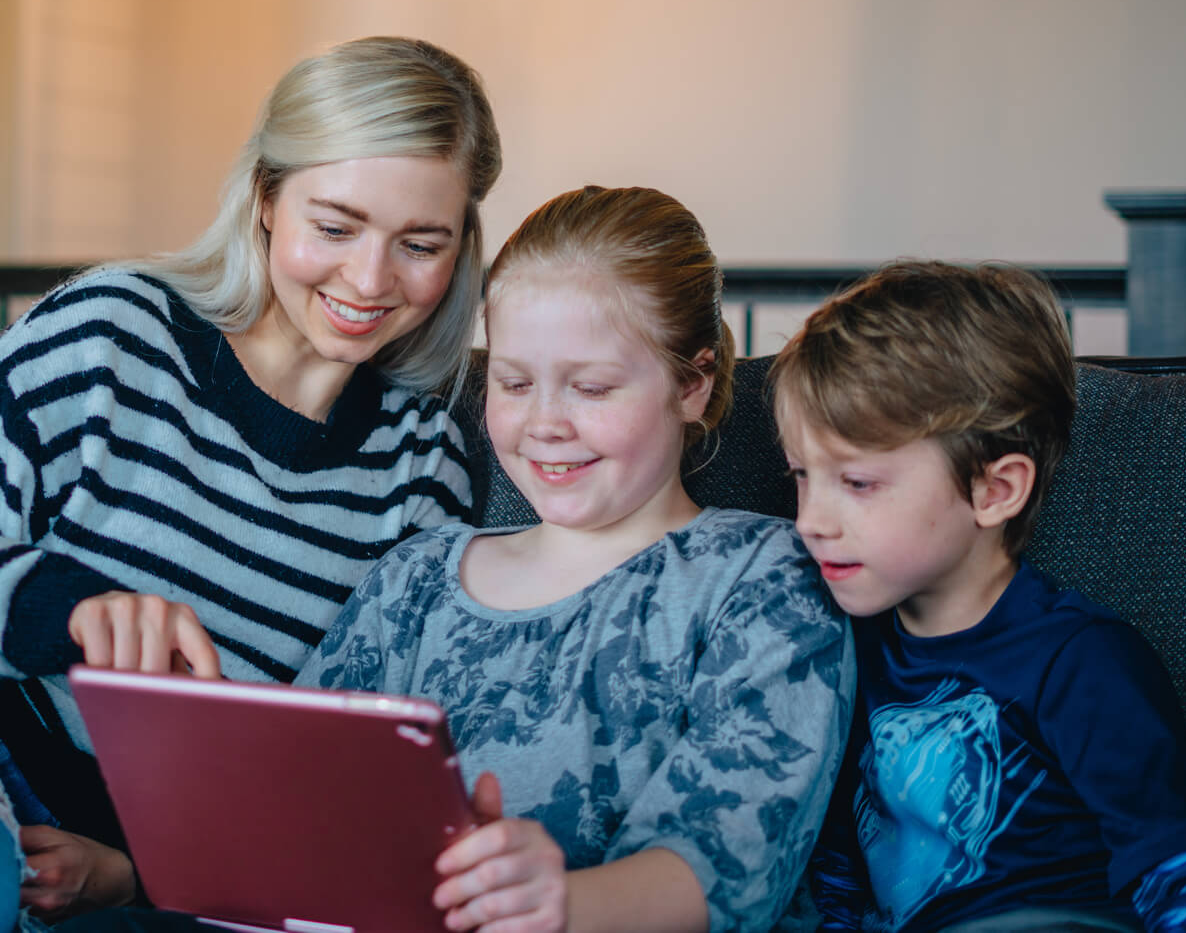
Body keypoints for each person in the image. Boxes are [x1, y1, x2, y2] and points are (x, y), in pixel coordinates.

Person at [0, 36, 502, 933]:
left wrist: (134, 869)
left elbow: (336, 777)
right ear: (266, 199)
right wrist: (66, 609)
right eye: (335, 227)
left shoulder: (423, 471)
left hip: (20, 806)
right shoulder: (122, 330)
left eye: (421, 243)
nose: (370, 280)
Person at [61, 185, 856, 933]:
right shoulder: (418, 575)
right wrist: (132, 870)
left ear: (691, 385)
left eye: (591, 387)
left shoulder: (757, 576)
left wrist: (562, 903)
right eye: (513, 382)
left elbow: (731, 862)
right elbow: (294, 812)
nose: (544, 423)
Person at [768, 259, 1186, 933]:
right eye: (803, 475)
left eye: (857, 483)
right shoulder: (845, 649)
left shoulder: (1082, 662)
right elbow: (833, 872)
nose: (810, 520)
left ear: (995, 489)